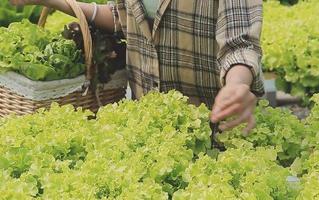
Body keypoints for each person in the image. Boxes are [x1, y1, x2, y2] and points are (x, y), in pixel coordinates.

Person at [10, 0, 264, 134]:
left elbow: (240, 45)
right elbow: (122, 17)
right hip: (150, 126)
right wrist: (58, 3)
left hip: (216, 123)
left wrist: (237, 84)